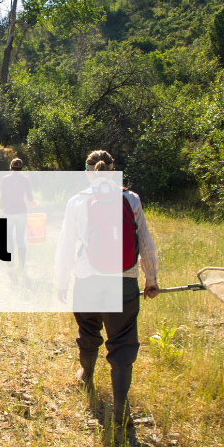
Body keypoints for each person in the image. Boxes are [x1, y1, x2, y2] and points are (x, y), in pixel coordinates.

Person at [54, 150, 159, 426]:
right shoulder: (131, 199)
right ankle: (120, 407)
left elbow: (66, 245)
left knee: (88, 330)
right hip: (124, 281)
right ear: (113, 171)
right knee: (122, 341)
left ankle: (86, 376)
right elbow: (145, 242)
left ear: (88, 173)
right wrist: (151, 279)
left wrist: (62, 281)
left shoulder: (78, 201)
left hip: (88, 280)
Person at [0, 158, 36, 269]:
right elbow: (29, 196)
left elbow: (3, 196)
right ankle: (21, 265)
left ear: (11, 167)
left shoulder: (5, 179)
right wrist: (33, 203)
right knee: (20, 238)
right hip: (21, 212)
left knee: (9, 237)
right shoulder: (25, 179)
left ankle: (10, 262)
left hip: (8, 212)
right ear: (21, 168)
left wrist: (1, 211)